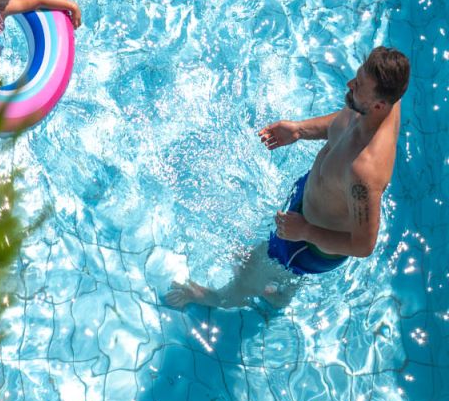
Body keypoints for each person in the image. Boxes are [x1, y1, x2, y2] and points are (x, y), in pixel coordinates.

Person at [166, 46, 411, 310]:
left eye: (359, 85)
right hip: (314, 203)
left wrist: (305, 231)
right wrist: (299, 130)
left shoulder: (365, 170)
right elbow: (344, 123)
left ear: (378, 104)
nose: (351, 84)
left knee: (246, 278)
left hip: (306, 244)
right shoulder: (378, 99)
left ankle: (212, 298)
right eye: (357, 76)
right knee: (275, 271)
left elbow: (363, 245)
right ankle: (279, 294)